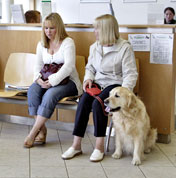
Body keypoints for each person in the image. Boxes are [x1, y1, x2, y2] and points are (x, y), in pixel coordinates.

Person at [61, 14, 138, 162]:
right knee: (83, 101)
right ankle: (76, 145)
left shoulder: (125, 48)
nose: (94, 31)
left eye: (97, 28)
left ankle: (99, 146)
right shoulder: (95, 47)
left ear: (107, 30)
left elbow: (130, 74)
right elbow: (90, 67)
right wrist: (88, 78)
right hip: (98, 83)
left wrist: (123, 93)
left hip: (115, 85)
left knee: (99, 104)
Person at [24, 13, 82, 148]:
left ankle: (33, 133)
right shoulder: (41, 44)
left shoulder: (68, 42)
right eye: (46, 28)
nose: (48, 32)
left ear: (59, 28)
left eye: (52, 28)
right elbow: (37, 65)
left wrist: (52, 81)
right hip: (45, 81)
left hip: (69, 82)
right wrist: (38, 80)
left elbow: (69, 66)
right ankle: (42, 130)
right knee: (32, 91)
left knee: (50, 94)